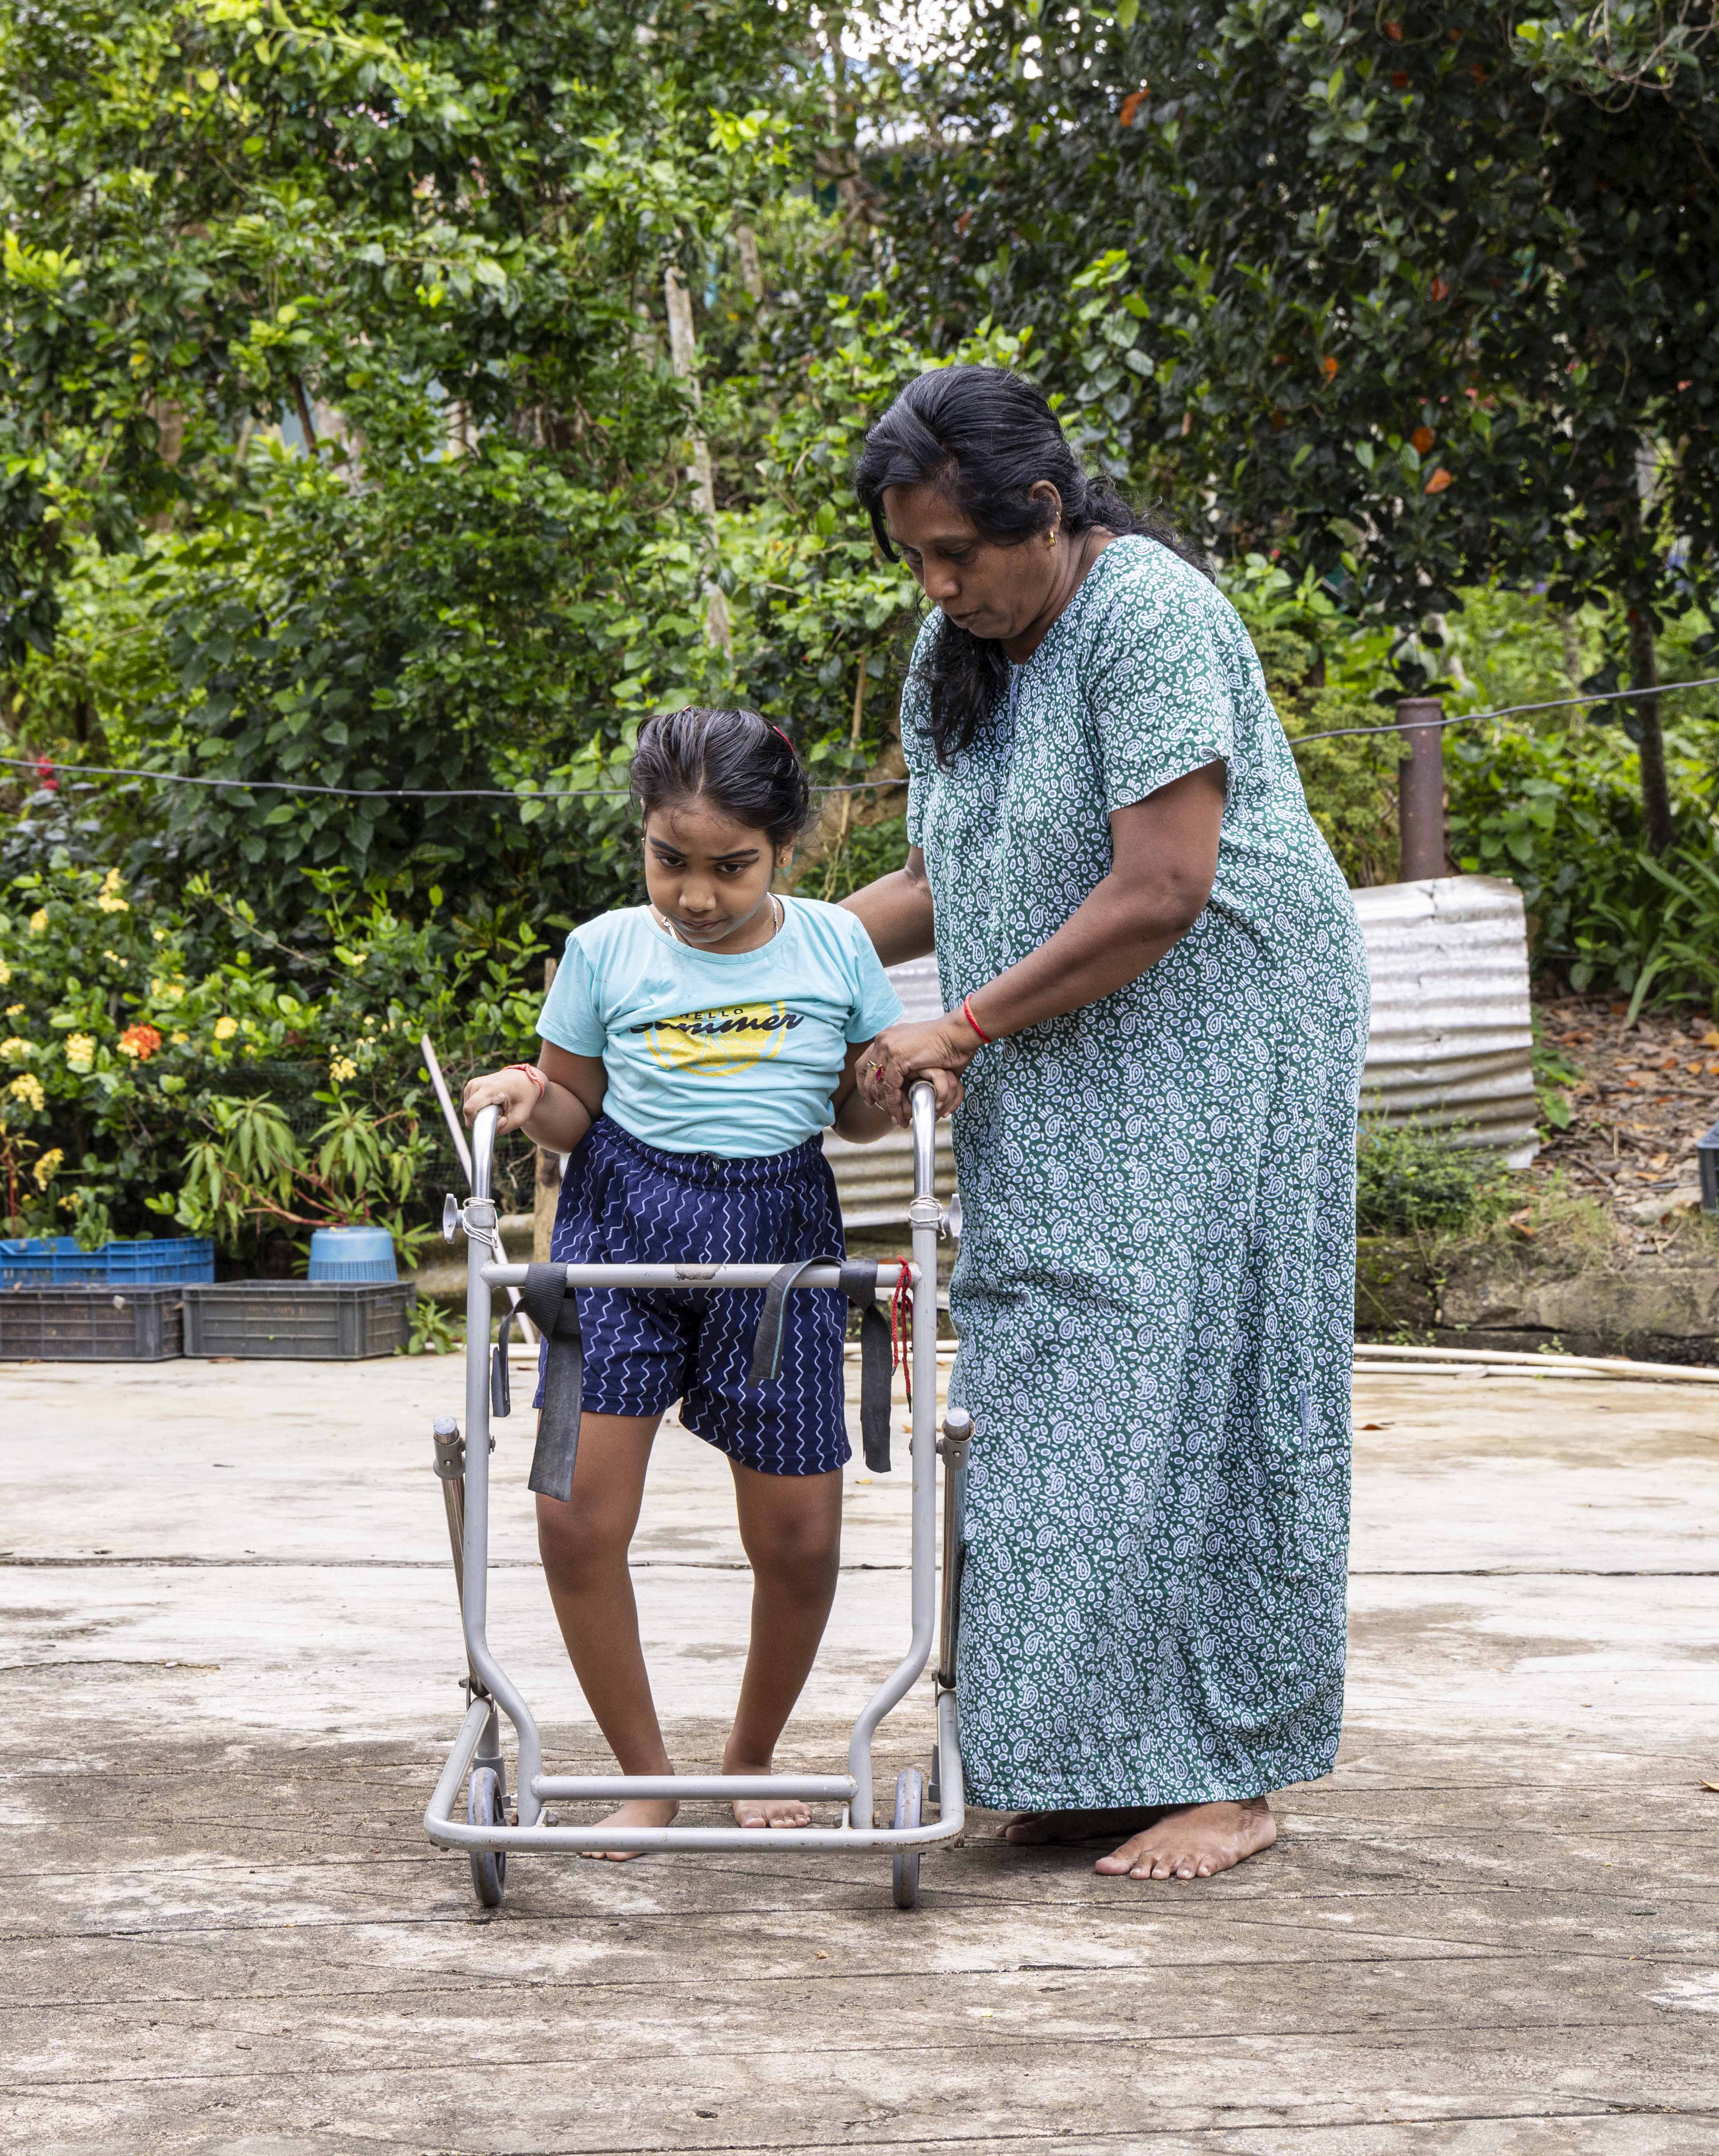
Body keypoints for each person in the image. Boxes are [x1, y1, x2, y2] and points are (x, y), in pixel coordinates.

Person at [841, 365, 1369, 1882]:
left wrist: (967, 1021)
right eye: (917, 560)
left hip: (1223, 1029)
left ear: (1048, 512)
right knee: (1050, 1374)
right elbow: (954, 872)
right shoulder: (961, 650)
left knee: (1202, 1373)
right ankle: (1083, 1757)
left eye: (960, 553)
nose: (941, 585)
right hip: (1072, 1028)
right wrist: (765, 950)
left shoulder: (1145, 614)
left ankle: (1232, 1771)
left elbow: (1162, 884)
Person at [462, 706, 907, 1848]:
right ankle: (648, 1780)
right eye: (671, 861)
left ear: (788, 850)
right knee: (574, 1520)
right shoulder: (607, 948)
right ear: (644, 839)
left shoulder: (834, 948)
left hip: (780, 1241)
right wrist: (525, 1093)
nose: (697, 896)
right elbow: (573, 1110)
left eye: (731, 867)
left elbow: (858, 1122)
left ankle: (749, 1759)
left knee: (802, 1540)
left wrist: (889, 1076)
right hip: (620, 1232)